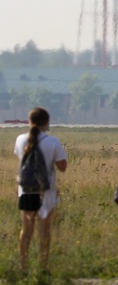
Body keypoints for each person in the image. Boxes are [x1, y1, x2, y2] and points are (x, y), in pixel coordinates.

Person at [14, 107, 68, 273]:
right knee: (44, 230)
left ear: (29, 121)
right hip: (46, 192)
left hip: (26, 191)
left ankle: (23, 267)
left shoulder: (20, 139)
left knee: (26, 230)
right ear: (47, 122)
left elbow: (20, 157)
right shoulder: (52, 142)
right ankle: (43, 267)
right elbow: (62, 167)